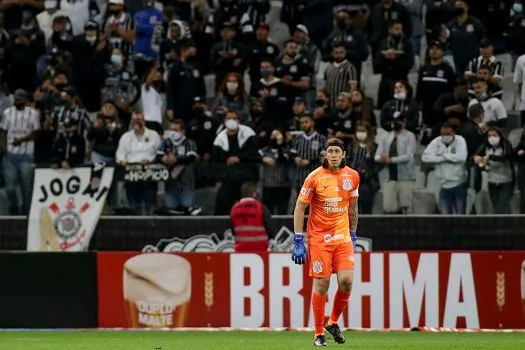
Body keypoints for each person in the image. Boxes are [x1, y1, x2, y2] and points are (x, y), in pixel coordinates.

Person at [292, 138, 360, 347]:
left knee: (347, 281)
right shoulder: (314, 177)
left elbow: (353, 207)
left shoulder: (353, 176)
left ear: (343, 155)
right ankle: (319, 333)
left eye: (336, 151)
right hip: (319, 239)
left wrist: (354, 232)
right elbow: (300, 208)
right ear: (325, 154)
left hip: (342, 237)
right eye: (329, 151)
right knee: (322, 285)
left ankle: (333, 322)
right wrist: (298, 238)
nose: (332, 154)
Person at [230, 181, 275, 253]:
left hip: (240, 250)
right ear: (254, 193)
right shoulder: (261, 207)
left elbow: (233, 230)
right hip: (261, 250)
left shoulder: (234, 209)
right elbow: (270, 228)